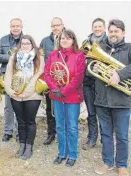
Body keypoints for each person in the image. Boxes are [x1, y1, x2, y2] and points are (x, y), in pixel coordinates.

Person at [94, 19, 131, 176]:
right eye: (111, 31)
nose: (113, 34)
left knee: (122, 135)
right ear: (107, 32)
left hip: (121, 101)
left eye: (117, 31)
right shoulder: (100, 48)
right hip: (102, 100)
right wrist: (94, 67)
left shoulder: (129, 48)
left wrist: (119, 74)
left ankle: (121, 164)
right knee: (106, 134)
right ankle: (107, 162)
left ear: (123, 33)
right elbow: (89, 66)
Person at [44, 29, 86, 167]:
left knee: (72, 127)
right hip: (56, 96)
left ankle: (72, 155)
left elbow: (78, 77)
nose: (65, 40)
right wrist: (54, 88)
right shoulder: (53, 54)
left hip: (72, 96)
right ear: (59, 40)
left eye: (68, 38)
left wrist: (64, 90)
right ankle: (62, 153)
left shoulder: (79, 55)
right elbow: (47, 73)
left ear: (73, 40)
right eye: (62, 38)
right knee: (60, 126)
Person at [4, 35, 44, 159]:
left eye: (28, 43)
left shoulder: (39, 58)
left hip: (32, 96)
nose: (25, 45)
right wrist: (10, 91)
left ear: (32, 44)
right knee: (20, 122)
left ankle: (29, 146)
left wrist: (25, 92)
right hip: (16, 96)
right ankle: (22, 145)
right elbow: (8, 75)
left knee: (30, 121)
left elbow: (38, 76)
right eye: (23, 43)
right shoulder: (14, 57)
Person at [0, 18, 23, 142]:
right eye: (13, 26)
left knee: (20, 105)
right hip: (6, 76)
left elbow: (32, 55)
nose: (15, 28)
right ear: (10, 27)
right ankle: (8, 131)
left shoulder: (26, 40)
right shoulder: (3, 40)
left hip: (22, 77)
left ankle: (20, 132)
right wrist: (12, 57)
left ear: (21, 27)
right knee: (8, 107)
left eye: (18, 26)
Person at [82, 18, 107, 150]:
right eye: (95, 27)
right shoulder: (86, 42)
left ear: (104, 28)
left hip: (102, 82)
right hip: (87, 82)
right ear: (92, 28)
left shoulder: (108, 43)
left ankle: (105, 138)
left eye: (99, 26)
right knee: (91, 112)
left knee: (102, 112)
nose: (97, 29)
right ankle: (92, 138)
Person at [40, 17, 65, 145]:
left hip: (65, 82)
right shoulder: (44, 41)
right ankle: (51, 133)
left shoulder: (68, 39)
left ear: (63, 25)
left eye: (58, 25)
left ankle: (64, 133)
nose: (55, 28)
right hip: (50, 81)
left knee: (65, 108)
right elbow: (40, 60)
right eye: (53, 26)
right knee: (50, 109)